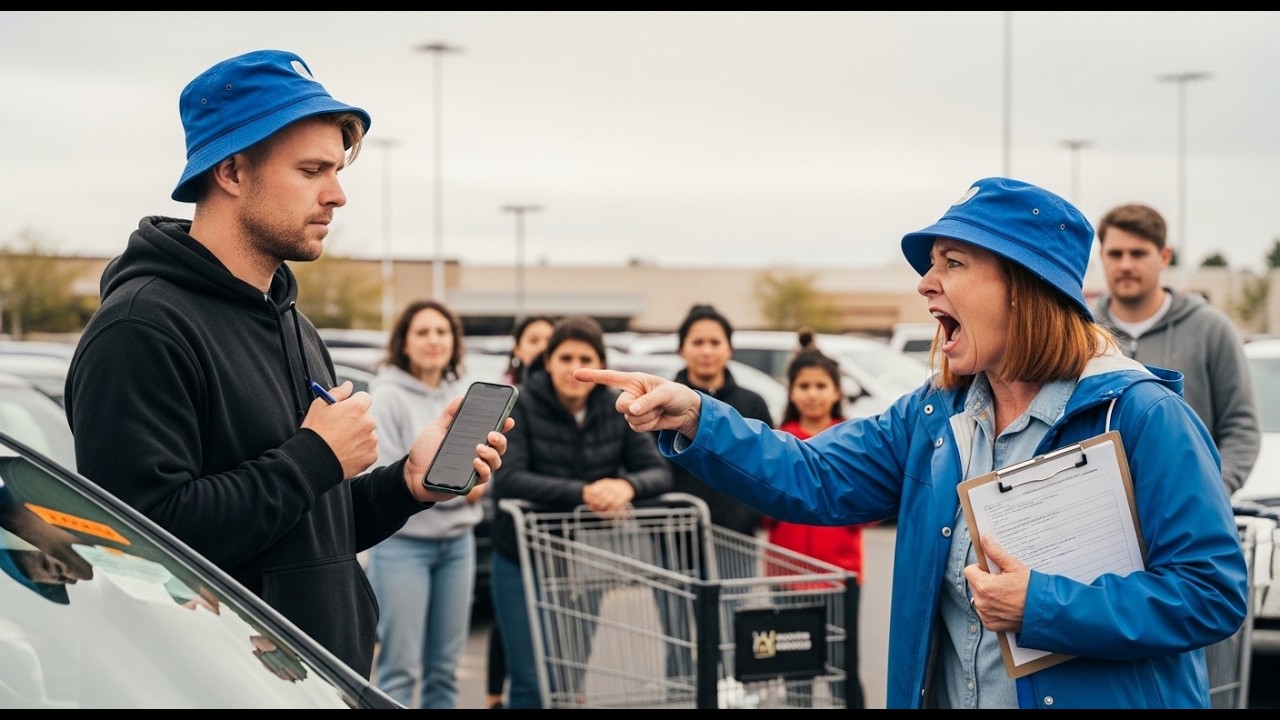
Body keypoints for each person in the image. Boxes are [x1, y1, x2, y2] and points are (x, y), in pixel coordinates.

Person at [577, 177, 1249, 709]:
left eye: (953, 263)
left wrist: (1042, 606)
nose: (927, 284)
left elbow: (1210, 592)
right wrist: (696, 416)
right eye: (931, 265)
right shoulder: (934, 416)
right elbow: (812, 473)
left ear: (1026, 287)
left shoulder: (1142, 417)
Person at [62, 49, 509, 682]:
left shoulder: (292, 323)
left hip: (318, 685)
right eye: (311, 170)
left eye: (337, 170)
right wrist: (315, 456)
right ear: (231, 170)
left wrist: (406, 485)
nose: (337, 195)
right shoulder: (140, 329)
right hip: (216, 688)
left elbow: (306, 531)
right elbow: (144, 544)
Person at [489, 315, 673, 708]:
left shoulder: (615, 408)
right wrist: (585, 493)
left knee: (568, 676)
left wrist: (625, 486)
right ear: (548, 361)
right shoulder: (520, 403)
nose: (574, 368)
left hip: (584, 558)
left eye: (585, 358)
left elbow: (658, 472)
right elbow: (509, 478)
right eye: (565, 357)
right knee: (531, 679)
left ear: (601, 364)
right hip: (521, 556)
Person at [1092, 202, 1261, 495]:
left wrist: (1209, 495)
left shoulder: (1211, 329)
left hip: (1189, 510)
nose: (1126, 265)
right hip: (1101, 513)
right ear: (1102, 257)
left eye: (1138, 253)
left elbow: (1241, 428)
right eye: (1116, 254)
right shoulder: (1082, 333)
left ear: (1164, 257)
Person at [364, 299, 483, 708]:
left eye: (442, 331)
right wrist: (458, 488)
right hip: (403, 546)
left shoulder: (460, 396)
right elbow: (388, 476)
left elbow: (478, 473)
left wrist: (468, 484)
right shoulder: (387, 397)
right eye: (423, 332)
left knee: (444, 672)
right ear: (404, 342)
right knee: (399, 671)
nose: (434, 340)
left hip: (458, 545)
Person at [761, 335, 866, 708]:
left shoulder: (854, 439)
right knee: (796, 670)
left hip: (839, 574)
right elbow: (763, 505)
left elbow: (869, 502)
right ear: (791, 391)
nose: (812, 394)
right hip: (787, 575)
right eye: (804, 386)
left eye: (821, 385)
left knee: (843, 669)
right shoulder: (776, 441)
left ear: (836, 391)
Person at [486, 313, 554, 710]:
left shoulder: (569, 399)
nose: (543, 348)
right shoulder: (509, 396)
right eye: (534, 339)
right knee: (508, 628)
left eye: (549, 339)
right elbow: (508, 475)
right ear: (518, 347)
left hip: (557, 540)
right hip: (514, 537)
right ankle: (495, 693)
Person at [668, 304, 774, 536]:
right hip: (678, 535)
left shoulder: (752, 403)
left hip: (737, 537)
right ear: (682, 349)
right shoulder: (664, 404)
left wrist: (747, 514)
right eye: (698, 342)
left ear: (729, 349)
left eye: (715, 342)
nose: (707, 351)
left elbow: (767, 466)